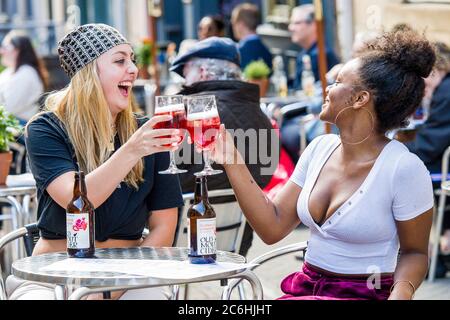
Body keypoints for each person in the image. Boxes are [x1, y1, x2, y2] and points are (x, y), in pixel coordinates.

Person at [209, 30, 436, 300]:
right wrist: (231, 159)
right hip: (303, 289)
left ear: (360, 98)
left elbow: (415, 252)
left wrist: (401, 294)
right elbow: (272, 227)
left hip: (363, 293)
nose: (327, 88)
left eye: (338, 81)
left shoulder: (403, 168)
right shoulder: (319, 148)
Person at [6, 24, 184, 300]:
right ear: (89, 72)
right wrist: (131, 150)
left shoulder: (146, 133)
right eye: (120, 60)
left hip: (131, 272)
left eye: (132, 60)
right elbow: (74, 200)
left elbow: (164, 226)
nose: (134, 69)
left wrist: (111, 290)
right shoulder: (45, 129)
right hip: (54, 272)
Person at [169, 36, 278, 257]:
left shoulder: (189, 116)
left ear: (202, 73)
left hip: (182, 240)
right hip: (238, 242)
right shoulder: (263, 118)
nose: (184, 84)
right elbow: (265, 175)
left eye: (186, 76)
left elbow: (169, 181)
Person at [401, 42, 450, 276]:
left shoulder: (447, 92)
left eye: (426, 76)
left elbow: (432, 143)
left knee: (404, 174)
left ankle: (426, 252)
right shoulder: (444, 89)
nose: (424, 83)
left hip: (444, 166)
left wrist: (395, 151)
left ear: (437, 69)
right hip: (442, 158)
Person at [0, 31, 48, 124]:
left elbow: (9, 108)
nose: (1, 51)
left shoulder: (26, 73)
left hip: (19, 129)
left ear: (18, 50)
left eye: (6, 47)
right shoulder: (9, 72)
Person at [289, 4, 340, 90]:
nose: (291, 28)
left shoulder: (321, 55)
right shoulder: (304, 53)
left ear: (314, 25)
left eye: (297, 23)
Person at [231, 3, 272, 72]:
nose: (233, 28)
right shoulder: (265, 49)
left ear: (240, 25)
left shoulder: (239, 50)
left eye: (233, 23)